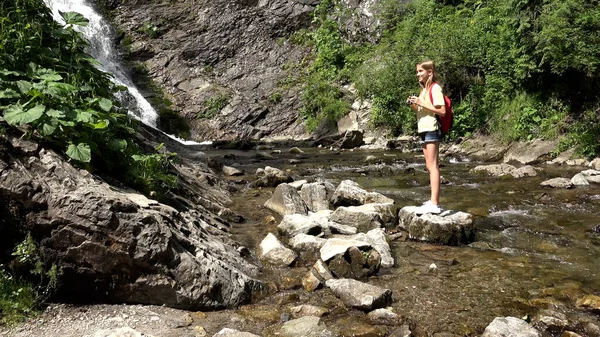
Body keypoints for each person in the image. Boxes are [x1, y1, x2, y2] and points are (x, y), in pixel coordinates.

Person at [407, 60, 446, 215]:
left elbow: (441, 110)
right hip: (423, 129)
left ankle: (435, 204)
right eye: (417, 71)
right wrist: (414, 104)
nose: (418, 74)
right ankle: (432, 201)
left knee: (433, 166)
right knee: (429, 166)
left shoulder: (435, 88)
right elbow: (420, 111)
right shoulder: (424, 90)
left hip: (431, 129)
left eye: (420, 71)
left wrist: (421, 102)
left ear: (430, 72)